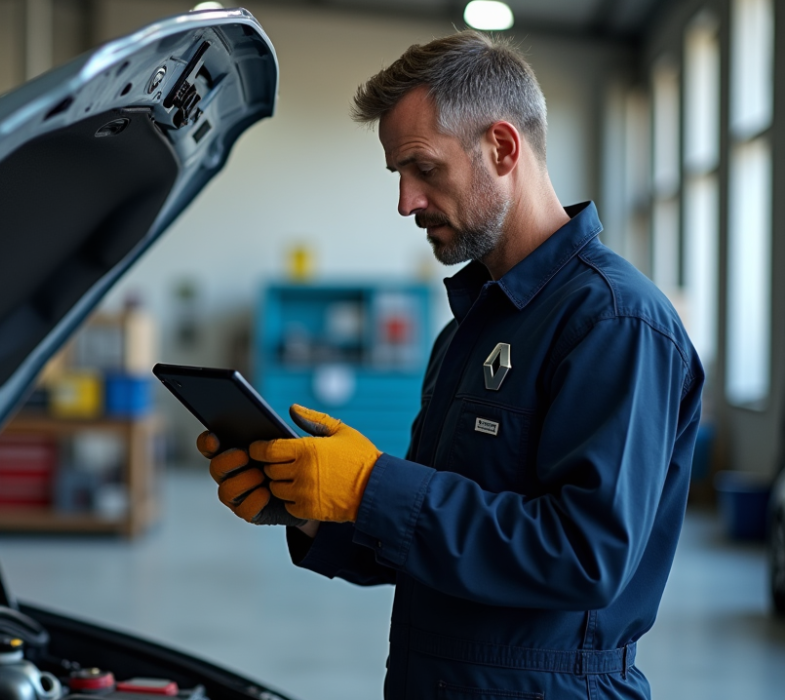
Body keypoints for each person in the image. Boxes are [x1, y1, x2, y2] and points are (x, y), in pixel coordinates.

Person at [196, 31, 703, 699]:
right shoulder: (470, 329)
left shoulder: (612, 321)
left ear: (501, 148)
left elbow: (587, 556)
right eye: (399, 176)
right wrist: (312, 509)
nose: (406, 202)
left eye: (424, 169)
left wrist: (371, 487)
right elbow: (440, 545)